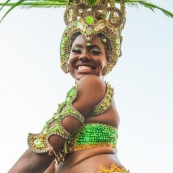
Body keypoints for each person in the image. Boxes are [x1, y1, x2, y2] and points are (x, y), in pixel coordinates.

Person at [0, 0, 172, 173]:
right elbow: (49, 159)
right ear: (66, 58)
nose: (84, 56)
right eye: (77, 50)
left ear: (107, 61)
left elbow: (42, 151)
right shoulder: (79, 98)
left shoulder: (93, 84)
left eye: (95, 51)